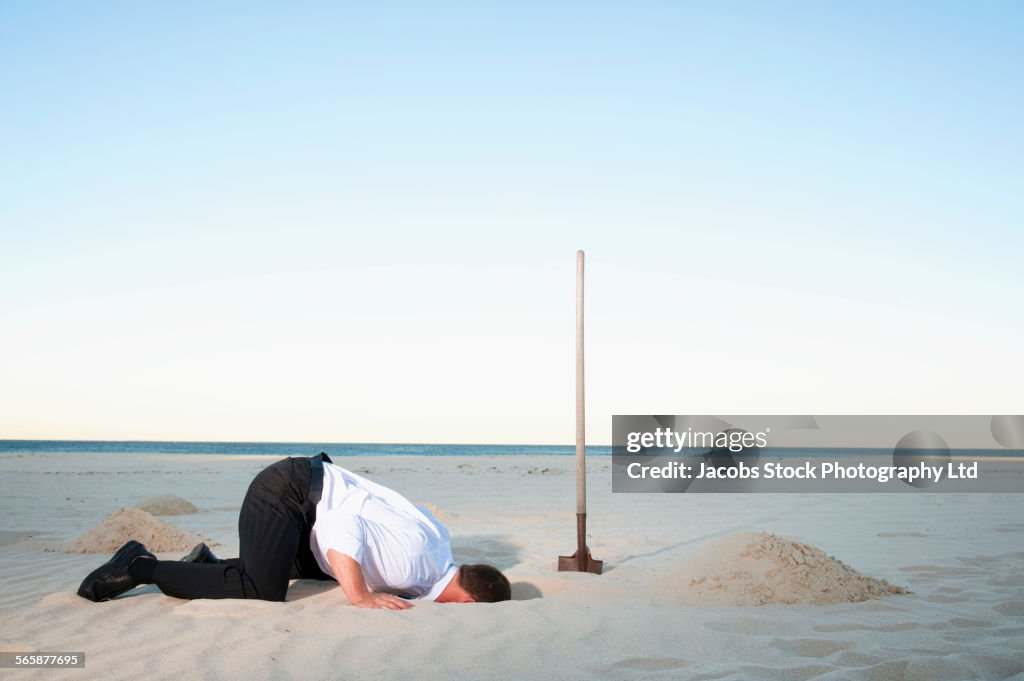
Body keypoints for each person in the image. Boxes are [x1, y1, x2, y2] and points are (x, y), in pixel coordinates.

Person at [77, 453, 511, 608]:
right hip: (287, 493)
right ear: (469, 601)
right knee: (262, 589)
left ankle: (207, 569)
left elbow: (400, 511)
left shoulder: (438, 544)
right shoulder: (413, 567)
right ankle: (141, 566)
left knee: (322, 569)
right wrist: (358, 595)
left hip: (309, 496)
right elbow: (342, 523)